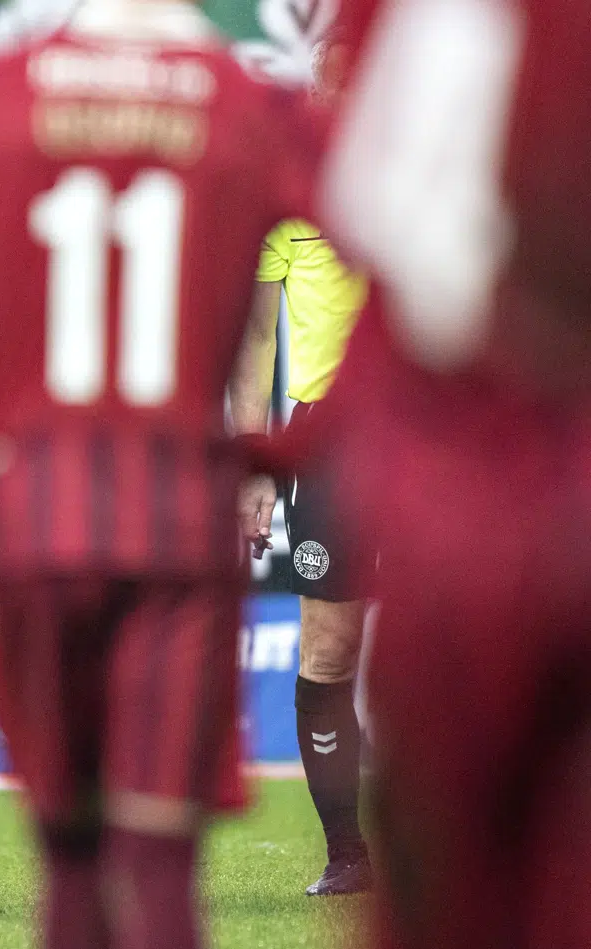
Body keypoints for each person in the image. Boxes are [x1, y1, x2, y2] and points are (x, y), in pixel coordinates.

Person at [0, 1, 314, 949]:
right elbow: (397, 278)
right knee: (160, 861)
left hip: (30, 521)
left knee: (69, 853)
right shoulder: (253, 101)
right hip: (178, 518)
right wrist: (276, 452)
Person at [315, 0, 591, 949]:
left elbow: (380, 218)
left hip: (451, 454)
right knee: (333, 655)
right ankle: (341, 847)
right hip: (383, 442)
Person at [228, 36, 373, 896]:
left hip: (434, 430)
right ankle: (349, 855)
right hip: (328, 440)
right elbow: (252, 338)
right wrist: (252, 468)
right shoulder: (285, 183)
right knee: (330, 648)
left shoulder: (434, 164)